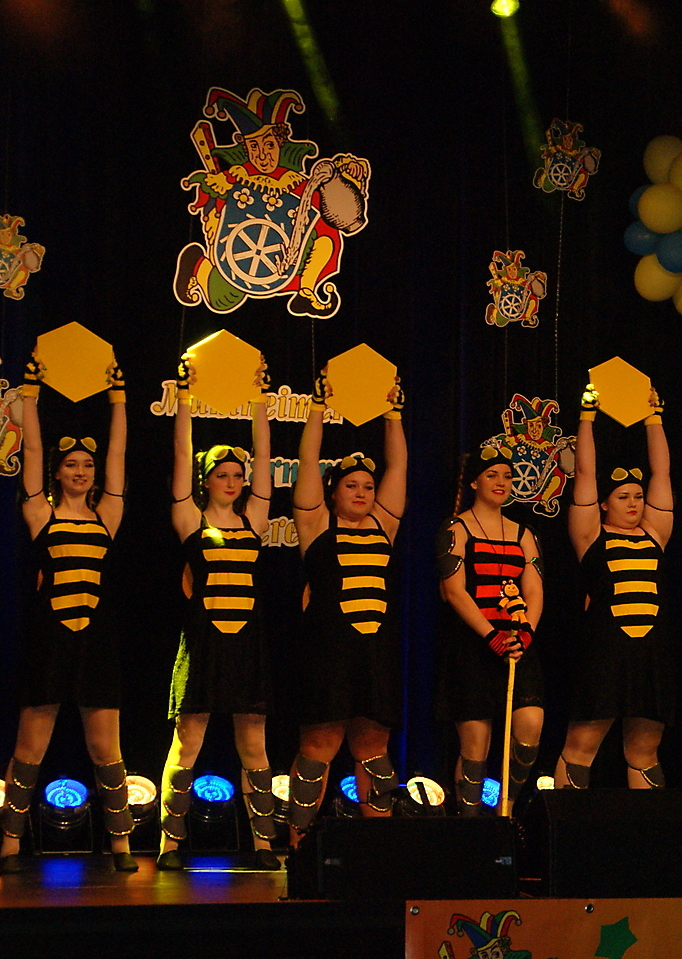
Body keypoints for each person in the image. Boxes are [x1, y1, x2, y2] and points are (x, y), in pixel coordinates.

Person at [0, 356, 136, 874]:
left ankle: (122, 847)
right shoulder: (41, 513)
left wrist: (118, 400)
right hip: (50, 639)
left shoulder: (107, 515)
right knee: (30, 745)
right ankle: (10, 845)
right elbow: (31, 449)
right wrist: (30, 394)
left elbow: (118, 452)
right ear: (58, 471)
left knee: (106, 747)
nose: (81, 472)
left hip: (96, 641)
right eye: (72, 464)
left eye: (87, 466)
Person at [157, 355, 278, 871]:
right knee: (187, 744)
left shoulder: (254, 519)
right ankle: (169, 845)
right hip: (204, 641)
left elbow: (265, 459)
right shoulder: (190, 518)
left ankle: (265, 845)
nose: (231, 482)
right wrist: (185, 398)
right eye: (222, 475)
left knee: (255, 745)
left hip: (247, 643)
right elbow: (181, 455)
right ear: (206, 481)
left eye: (237, 475)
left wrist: (260, 401)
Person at [283, 370, 407, 838]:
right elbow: (307, 460)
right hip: (328, 651)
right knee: (319, 746)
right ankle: (298, 843)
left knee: (374, 749)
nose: (361, 493)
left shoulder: (384, 525)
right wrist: (317, 408)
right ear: (333, 491)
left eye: (367, 487)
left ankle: (379, 843)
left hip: (376, 651)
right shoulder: (316, 525)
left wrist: (393, 413)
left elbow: (398, 466)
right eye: (351, 486)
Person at [555, 385, 673, 790]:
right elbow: (585, 473)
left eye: (638, 496)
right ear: (605, 503)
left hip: (651, 652)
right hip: (604, 651)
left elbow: (662, 474)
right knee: (582, 745)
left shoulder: (655, 533)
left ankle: (648, 827)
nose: (634, 503)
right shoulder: (590, 533)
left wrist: (654, 418)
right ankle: (569, 825)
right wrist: (587, 417)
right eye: (623, 497)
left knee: (645, 750)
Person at [437, 443, 545, 815]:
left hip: (516, 640)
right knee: (475, 744)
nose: (501, 482)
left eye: (507, 476)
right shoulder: (456, 528)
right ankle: (471, 826)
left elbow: (534, 589)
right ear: (475, 482)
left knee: (530, 725)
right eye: (492, 475)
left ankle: (507, 808)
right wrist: (491, 636)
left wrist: (526, 632)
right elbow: (455, 591)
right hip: (473, 643)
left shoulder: (524, 533)